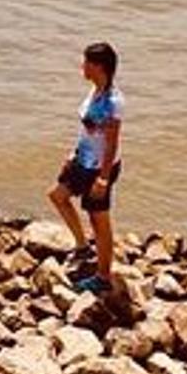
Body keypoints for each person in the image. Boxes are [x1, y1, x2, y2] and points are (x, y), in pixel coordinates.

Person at [48, 41, 123, 293]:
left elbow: (111, 143)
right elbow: (87, 130)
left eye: (87, 63)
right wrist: (73, 153)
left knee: (98, 220)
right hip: (83, 160)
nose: (82, 67)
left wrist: (103, 178)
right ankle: (82, 246)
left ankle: (103, 276)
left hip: (99, 168)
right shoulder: (95, 91)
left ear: (99, 67)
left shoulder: (113, 101)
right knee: (58, 196)